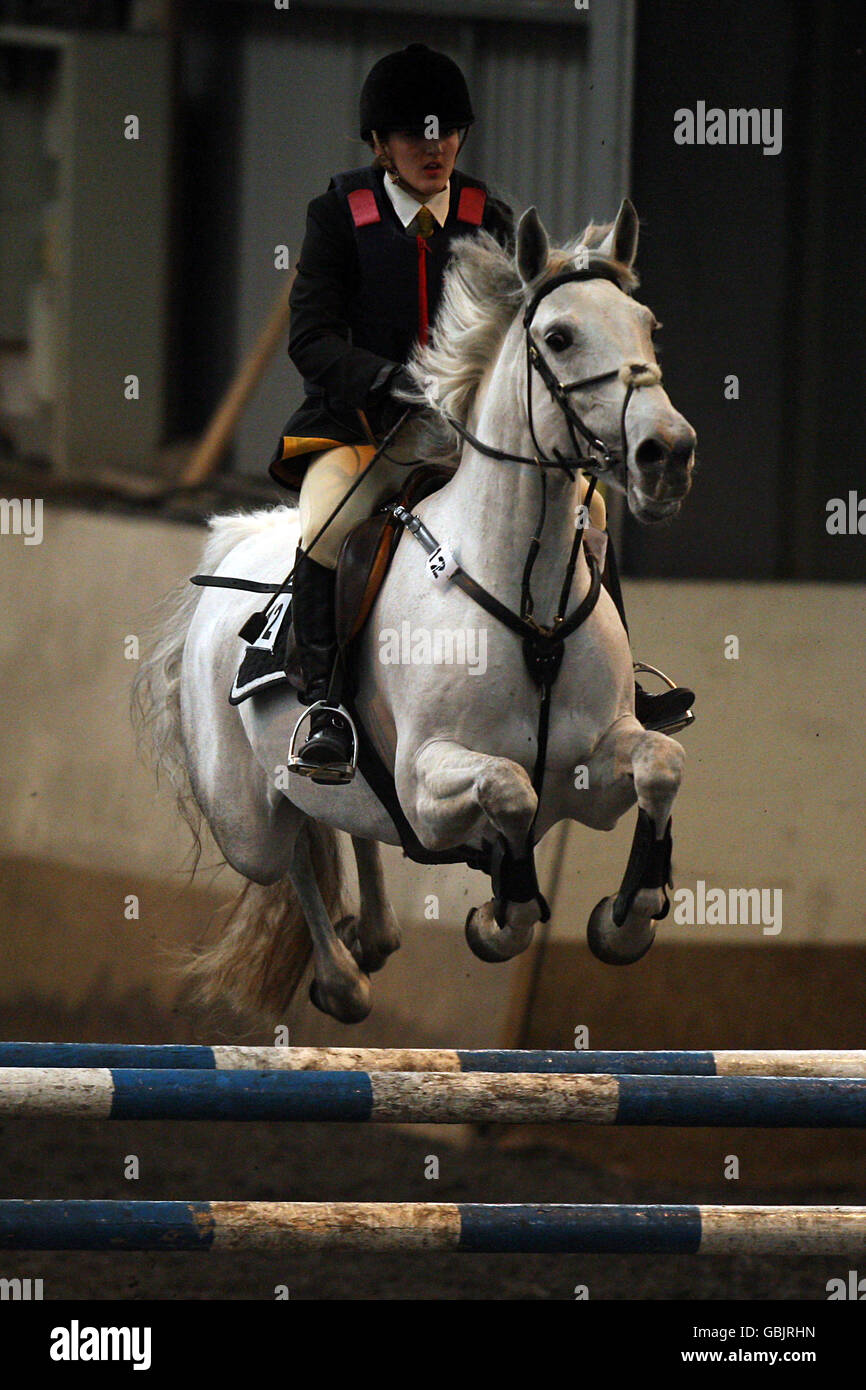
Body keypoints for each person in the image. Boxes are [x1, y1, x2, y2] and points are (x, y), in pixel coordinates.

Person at [268, 42, 694, 781]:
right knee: (326, 525)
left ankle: (623, 690)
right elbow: (311, 338)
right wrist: (394, 382)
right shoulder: (339, 215)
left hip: (470, 437)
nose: (435, 149)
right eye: (414, 136)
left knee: (586, 510)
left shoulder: (485, 213)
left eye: (447, 133)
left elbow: (535, 323)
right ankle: (328, 706)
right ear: (380, 144)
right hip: (366, 430)